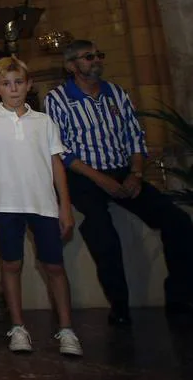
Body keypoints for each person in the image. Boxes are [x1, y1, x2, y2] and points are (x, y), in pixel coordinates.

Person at [45, 39, 193, 325]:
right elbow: (60, 150)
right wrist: (101, 179)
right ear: (71, 66)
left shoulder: (117, 94)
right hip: (84, 176)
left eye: (99, 54)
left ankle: (179, 296)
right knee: (101, 229)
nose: (96, 60)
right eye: (88, 57)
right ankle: (120, 305)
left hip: (123, 172)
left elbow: (135, 137)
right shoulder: (58, 99)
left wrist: (135, 174)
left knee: (177, 221)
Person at [0, 57, 82, 356]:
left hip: (44, 205)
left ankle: (67, 329)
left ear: (29, 85)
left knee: (54, 265)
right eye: (6, 84)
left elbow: (57, 165)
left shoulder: (44, 122)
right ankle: (18, 327)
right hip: (7, 205)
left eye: (19, 82)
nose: (13, 89)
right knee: (11, 264)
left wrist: (64, 205)